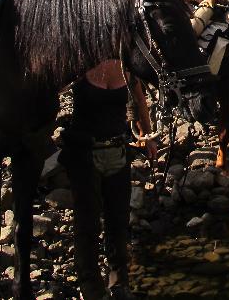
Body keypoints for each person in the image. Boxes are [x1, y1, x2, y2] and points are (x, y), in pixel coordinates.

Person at [60, 61, 157, 300]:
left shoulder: (125, 66)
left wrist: (148, 135)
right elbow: (52, 88)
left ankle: (119, 281)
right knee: (87, 223)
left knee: (118, 220)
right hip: (84, 153)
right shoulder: (77, 64)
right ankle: (91, 287)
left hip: (117, 151)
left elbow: (139, 98)